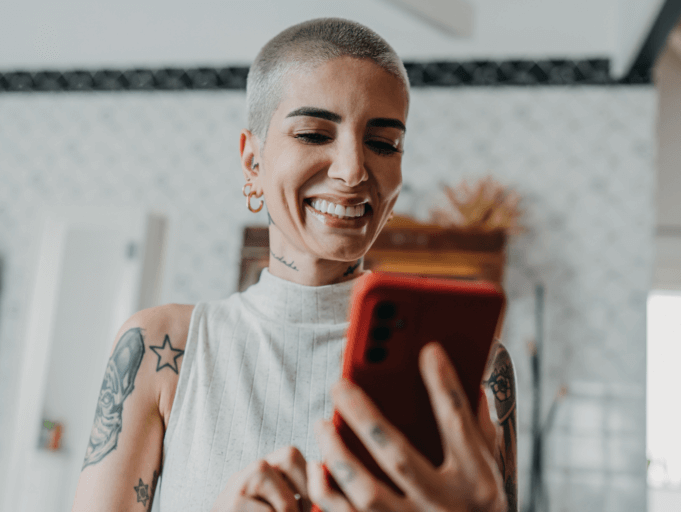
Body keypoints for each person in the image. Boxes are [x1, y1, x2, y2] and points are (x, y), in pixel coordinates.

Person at [71, 17, 517, 512]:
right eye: (312, 134)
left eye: (384, 144)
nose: (351, 171)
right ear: (252, 162)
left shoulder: (466, 369)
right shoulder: (161, 348)